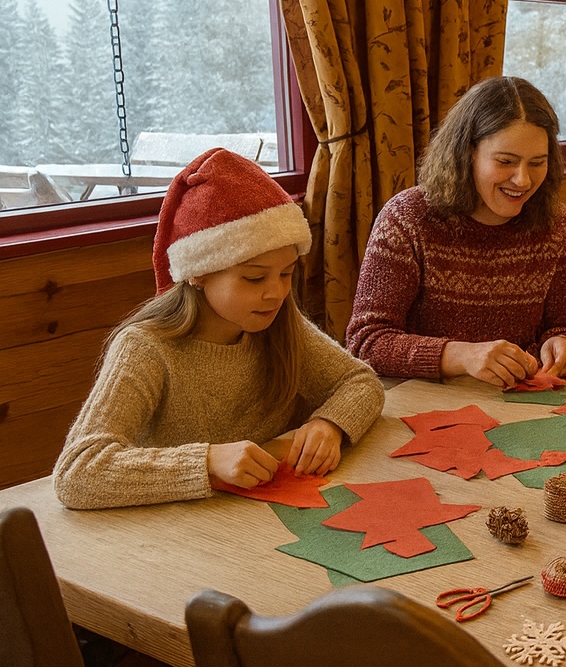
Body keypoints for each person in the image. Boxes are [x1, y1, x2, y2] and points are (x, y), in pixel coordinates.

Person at [54, 150, 384, 510]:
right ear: (197, 272)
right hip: (176, 533)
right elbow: (77, 472)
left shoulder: (281, 324)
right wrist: (207, 462)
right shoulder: (145, 348)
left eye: (287, 273)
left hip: (261, 515)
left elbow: (361, 382)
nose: (276, 293)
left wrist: (329, 424)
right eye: (254, 277)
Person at [346, 76, 566, 387]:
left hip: (518, 400)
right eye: (505, 161)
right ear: (467, 153)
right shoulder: (406, 218)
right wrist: (460, 356)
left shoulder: (559, 226)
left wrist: (562, 343)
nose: (523, 180)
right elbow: (365, 343)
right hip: (422, 401)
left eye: (537, 163)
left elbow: (564, 325)